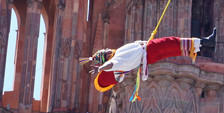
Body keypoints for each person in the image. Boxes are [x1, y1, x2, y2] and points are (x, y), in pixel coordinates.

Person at [83, 28, 216, 92]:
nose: (106, 48)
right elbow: (111, 64)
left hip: (147, 56)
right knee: (172, 42)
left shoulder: (119, 58)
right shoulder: (117, 59)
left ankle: (203, 46)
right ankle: (205, 42)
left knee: (174, 50)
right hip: (148, 50)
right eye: (104, 50)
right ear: (106, 55)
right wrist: (101, 68)